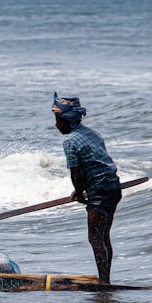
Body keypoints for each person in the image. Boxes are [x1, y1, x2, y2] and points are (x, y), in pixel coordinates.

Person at [53, 92, 121, 284]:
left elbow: (76, 174)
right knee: (104, 236)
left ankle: (104, 283)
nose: (57, 125)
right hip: (113, 188)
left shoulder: (70, 142)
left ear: (68, 121)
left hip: (99, 192)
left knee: (95, 239)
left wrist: (81, 192)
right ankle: (105, 279)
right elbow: (97, 163)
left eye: (59, 121)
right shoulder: (92, 133)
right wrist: (81, 190)